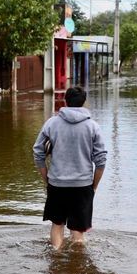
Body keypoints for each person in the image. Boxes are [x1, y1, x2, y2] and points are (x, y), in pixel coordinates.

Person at [33, 86, 107, 250]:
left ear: (65, 101)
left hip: (57, 184)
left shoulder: (52, 123)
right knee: (78, 232)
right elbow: (101, 160)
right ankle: (77, 268)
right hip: (83, 185)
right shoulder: (93, 126)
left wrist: (47, 178)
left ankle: (56, 257)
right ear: (83, 103)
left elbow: (37, 152)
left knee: (57, 224)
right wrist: (94, 186)